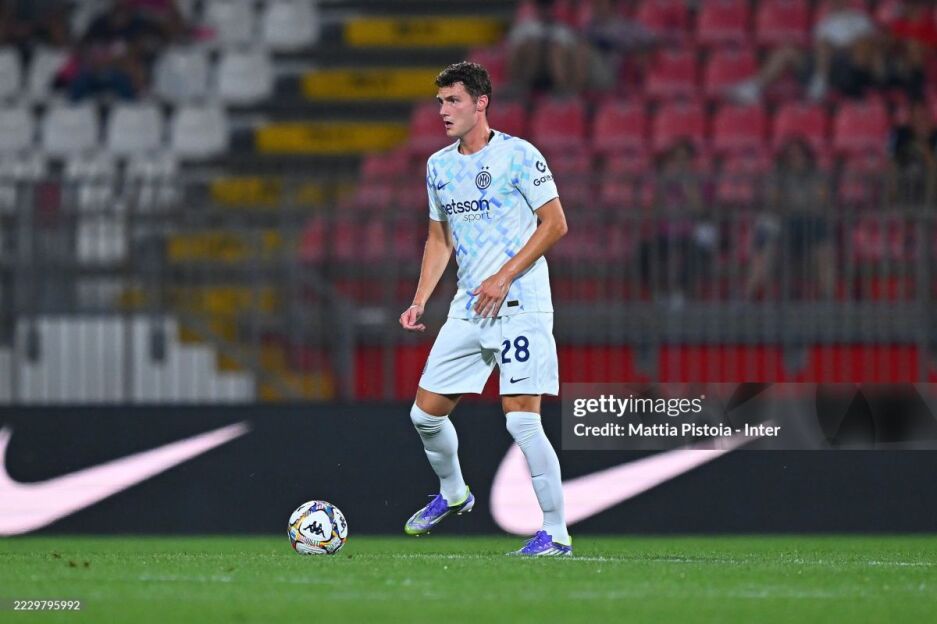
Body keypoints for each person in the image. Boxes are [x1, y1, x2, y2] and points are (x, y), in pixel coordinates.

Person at [398, 61, 572, 556]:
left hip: (520, 304)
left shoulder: (519, 155)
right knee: (425, 415)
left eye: (453, 100)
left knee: (521, 420)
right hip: (470, 306)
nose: (443, 111)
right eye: (440, 102)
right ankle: (454, 493)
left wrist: (504, 275)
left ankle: (556, 533)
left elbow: (555, 223)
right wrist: (419, 300)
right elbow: (439, 240)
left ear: (481, 103)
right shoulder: (438, 166)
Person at [729, 0, 882, 103]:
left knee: (826, 45)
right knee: (788, 50)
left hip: (849, 68)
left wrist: (838, 48)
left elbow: (866, 47)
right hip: (822, 63)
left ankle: (820, 82)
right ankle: (754, 87)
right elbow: (815, 48)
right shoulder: (825, 23)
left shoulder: (860, 19)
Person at [745, 139, 834, 300]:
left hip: (812, 223)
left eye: (799, 155)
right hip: (783, 223)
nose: (796, 159)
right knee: (765, 253)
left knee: (825, 254)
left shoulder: (817, 176)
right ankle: (746, 298)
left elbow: (821, 202)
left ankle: (828, 299)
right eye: (791, 156)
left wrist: (794, 204)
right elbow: (772, 202)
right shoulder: (777, 176)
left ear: (807, 157)